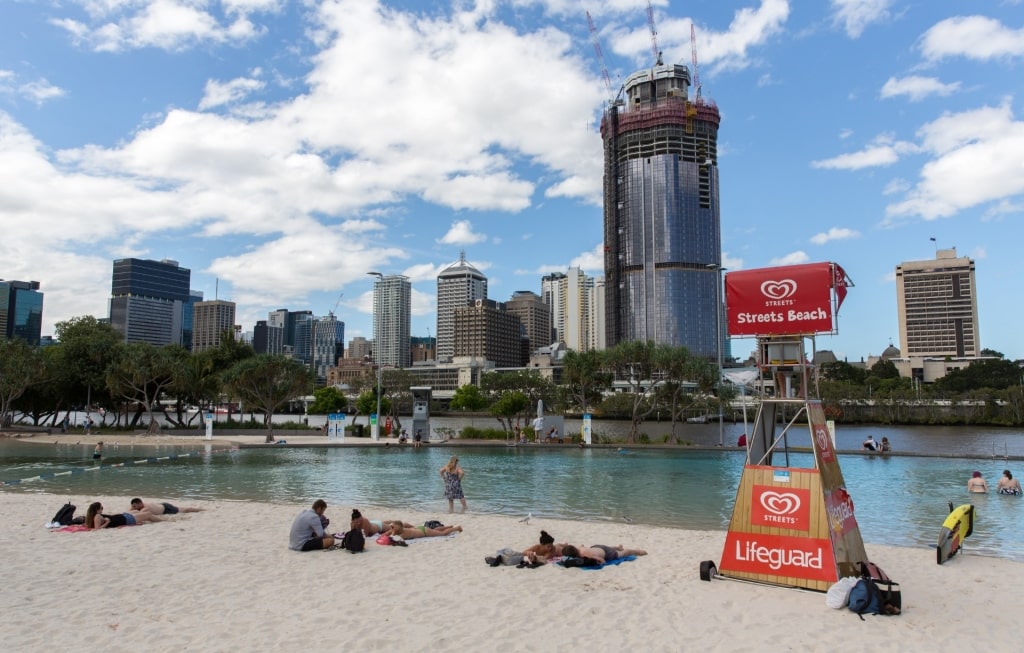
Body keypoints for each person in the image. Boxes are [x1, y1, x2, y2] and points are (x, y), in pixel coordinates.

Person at [84, 502, 164, 529]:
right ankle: (164, 521)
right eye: (101, 508)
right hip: (126, 519)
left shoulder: (94, 516)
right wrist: (107, 522)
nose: (102, 509)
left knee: (136, 511)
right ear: (97, 510)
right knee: (148, 514)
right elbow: (96, 529)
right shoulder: (97, 516)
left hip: (123, 516)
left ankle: (156, 518)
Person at [561, 543, 647, 563]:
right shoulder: (578, 547)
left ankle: (637, 551)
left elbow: (601, 559)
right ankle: (618, 547)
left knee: (624, 553)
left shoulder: (584, 554)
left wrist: (602, 564)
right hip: (597, 547)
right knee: (611, 548)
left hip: (607, 554)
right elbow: (582, 545)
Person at [385, 520, 462, 540]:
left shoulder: (402, 534)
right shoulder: (400, 530)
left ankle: (456, 528)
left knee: (443, 534)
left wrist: (391, 532)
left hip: (424, 532)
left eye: (392, 527)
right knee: (435, 530)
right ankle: (449, 526)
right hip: (420, 529)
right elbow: (389, 533)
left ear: (398, 527)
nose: (391, 528)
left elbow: (392, 538)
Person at [130, 498, 204, 515]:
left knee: (186, 510)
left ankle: (201, 510)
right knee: (183, 508)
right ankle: (200, 509)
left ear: (140, 503)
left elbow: (139, 514)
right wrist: (132, 509)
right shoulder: (140, 505)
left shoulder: (146, 507)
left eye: (135, 506)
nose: (134, 507)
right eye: (133, 506)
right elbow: (131, 510)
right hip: (162, 505)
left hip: (167, 509)